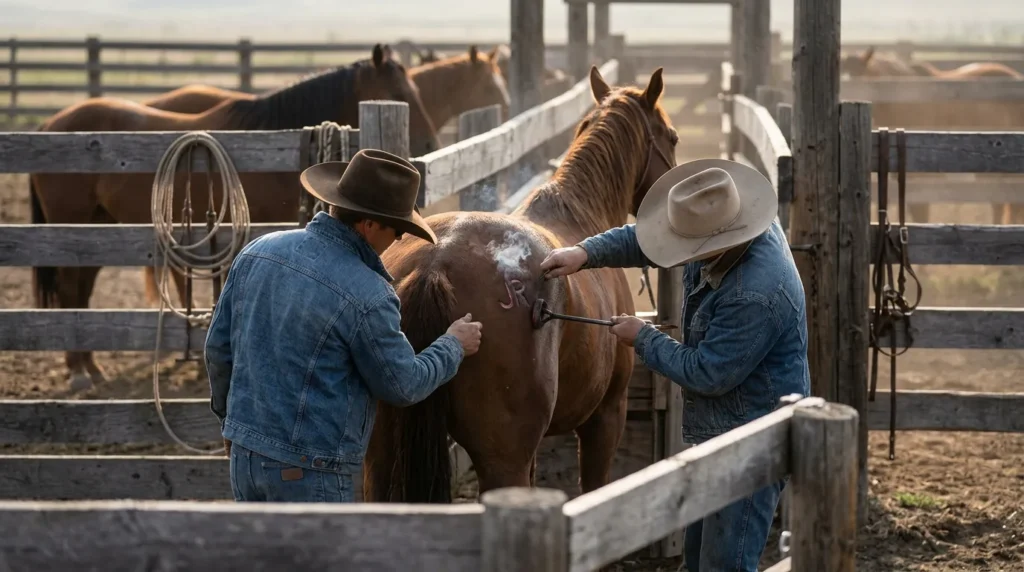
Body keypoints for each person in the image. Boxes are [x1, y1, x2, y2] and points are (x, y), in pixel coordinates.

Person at [540, 158, 809, 571]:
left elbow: (708, 374)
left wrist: (643, 338)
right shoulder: (734, 227)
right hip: (723, 427)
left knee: (726, 565)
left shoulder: (754, 293)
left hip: (751, 435)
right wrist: (585, 252)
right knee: (698, 558)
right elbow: (646, 239)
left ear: (716, 243)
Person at [204, 148, 483, 503]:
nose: (398, 241)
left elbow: (217, 350)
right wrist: (453, 345)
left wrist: (231, 425)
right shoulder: (369, 294)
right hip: (311, 469)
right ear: (370, 225)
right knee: (323, 559)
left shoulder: (258, 251)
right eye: (397, 230)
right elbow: (403, 384)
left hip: (245, 455)